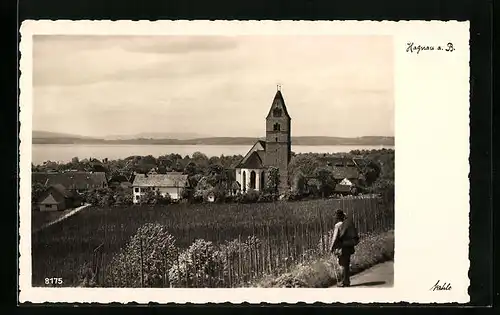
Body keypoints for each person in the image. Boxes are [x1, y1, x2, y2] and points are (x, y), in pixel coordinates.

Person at [330, 209, 359, 287]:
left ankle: (343, 282)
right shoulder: (347, 223)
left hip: (342, 247)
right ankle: (347, 281)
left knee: (342, 264)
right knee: (346, 264)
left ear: (337, 216)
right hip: (349, 246)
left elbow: (335, 237)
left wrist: (331, 247)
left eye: (335, 216)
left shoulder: (338, 225)